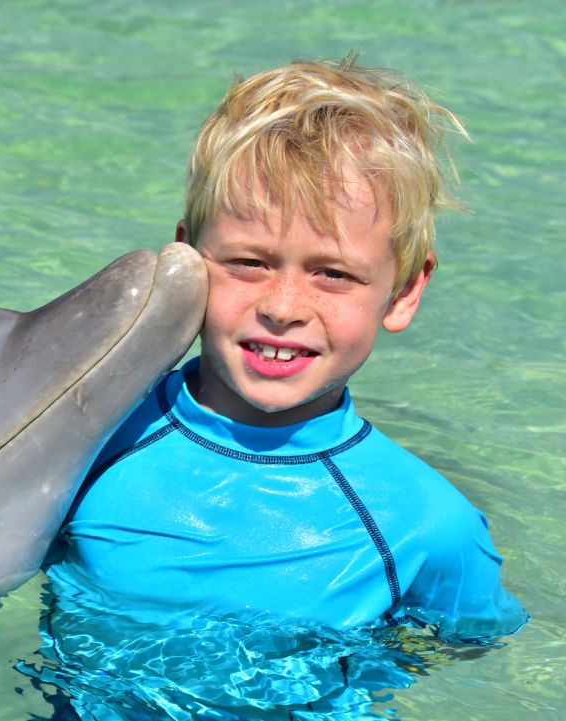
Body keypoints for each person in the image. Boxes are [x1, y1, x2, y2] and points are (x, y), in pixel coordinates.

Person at [43, 55, 528, 645]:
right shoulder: (88, 440)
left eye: (333, 274)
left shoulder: (426, 528)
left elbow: (474, 652)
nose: (283, 306)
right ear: (185, 262)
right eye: (249, 262)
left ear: (403, 291)